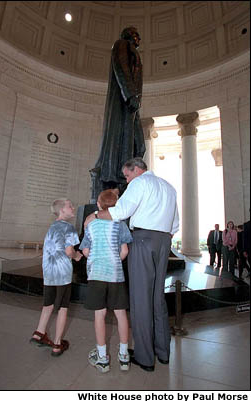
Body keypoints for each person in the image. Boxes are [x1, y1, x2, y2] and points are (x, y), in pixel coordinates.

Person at [85, 157, 179, 372]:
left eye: (127, 175)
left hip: (143, 240)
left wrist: (95, 215)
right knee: (157, 297)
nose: (127, 180)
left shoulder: (140, 182)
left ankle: (146, 358)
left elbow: (121, 211)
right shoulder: (169, 187)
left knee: (140, 299)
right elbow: (175, 223)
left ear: (136, 170)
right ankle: (162, 352)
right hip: (164, 241)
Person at [80, 189, 133, 373]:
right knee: (121, 314)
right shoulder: (120, 224)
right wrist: (114, 261)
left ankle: (102, 358)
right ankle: (124, 356)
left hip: (96, 275)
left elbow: (85, 251)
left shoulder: (91, 225)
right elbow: (124, 251)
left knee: (99, 315)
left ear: (99, 206)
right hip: (115, 275)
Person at [90, 26, 145, 202]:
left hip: (132, 104)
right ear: (128, 35)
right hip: (124, 101)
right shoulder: (121, 45)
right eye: (135, 34)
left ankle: (127, 177)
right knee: (122, 141)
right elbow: (121, 67)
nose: (138, 38)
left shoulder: (133, 52)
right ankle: (119, 178)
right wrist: (129, 95)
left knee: (139, 145)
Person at [30, 199, 82, 356]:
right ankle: (58, 344)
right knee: (63, 307)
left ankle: (39, 332)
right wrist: (77, 256)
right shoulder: (69, 227)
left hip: (49, 271)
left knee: (48, 304)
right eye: (69, 206)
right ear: (61, 211)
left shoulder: (51, 227)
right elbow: (68, 251)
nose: (73, 207)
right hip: (62, 272)